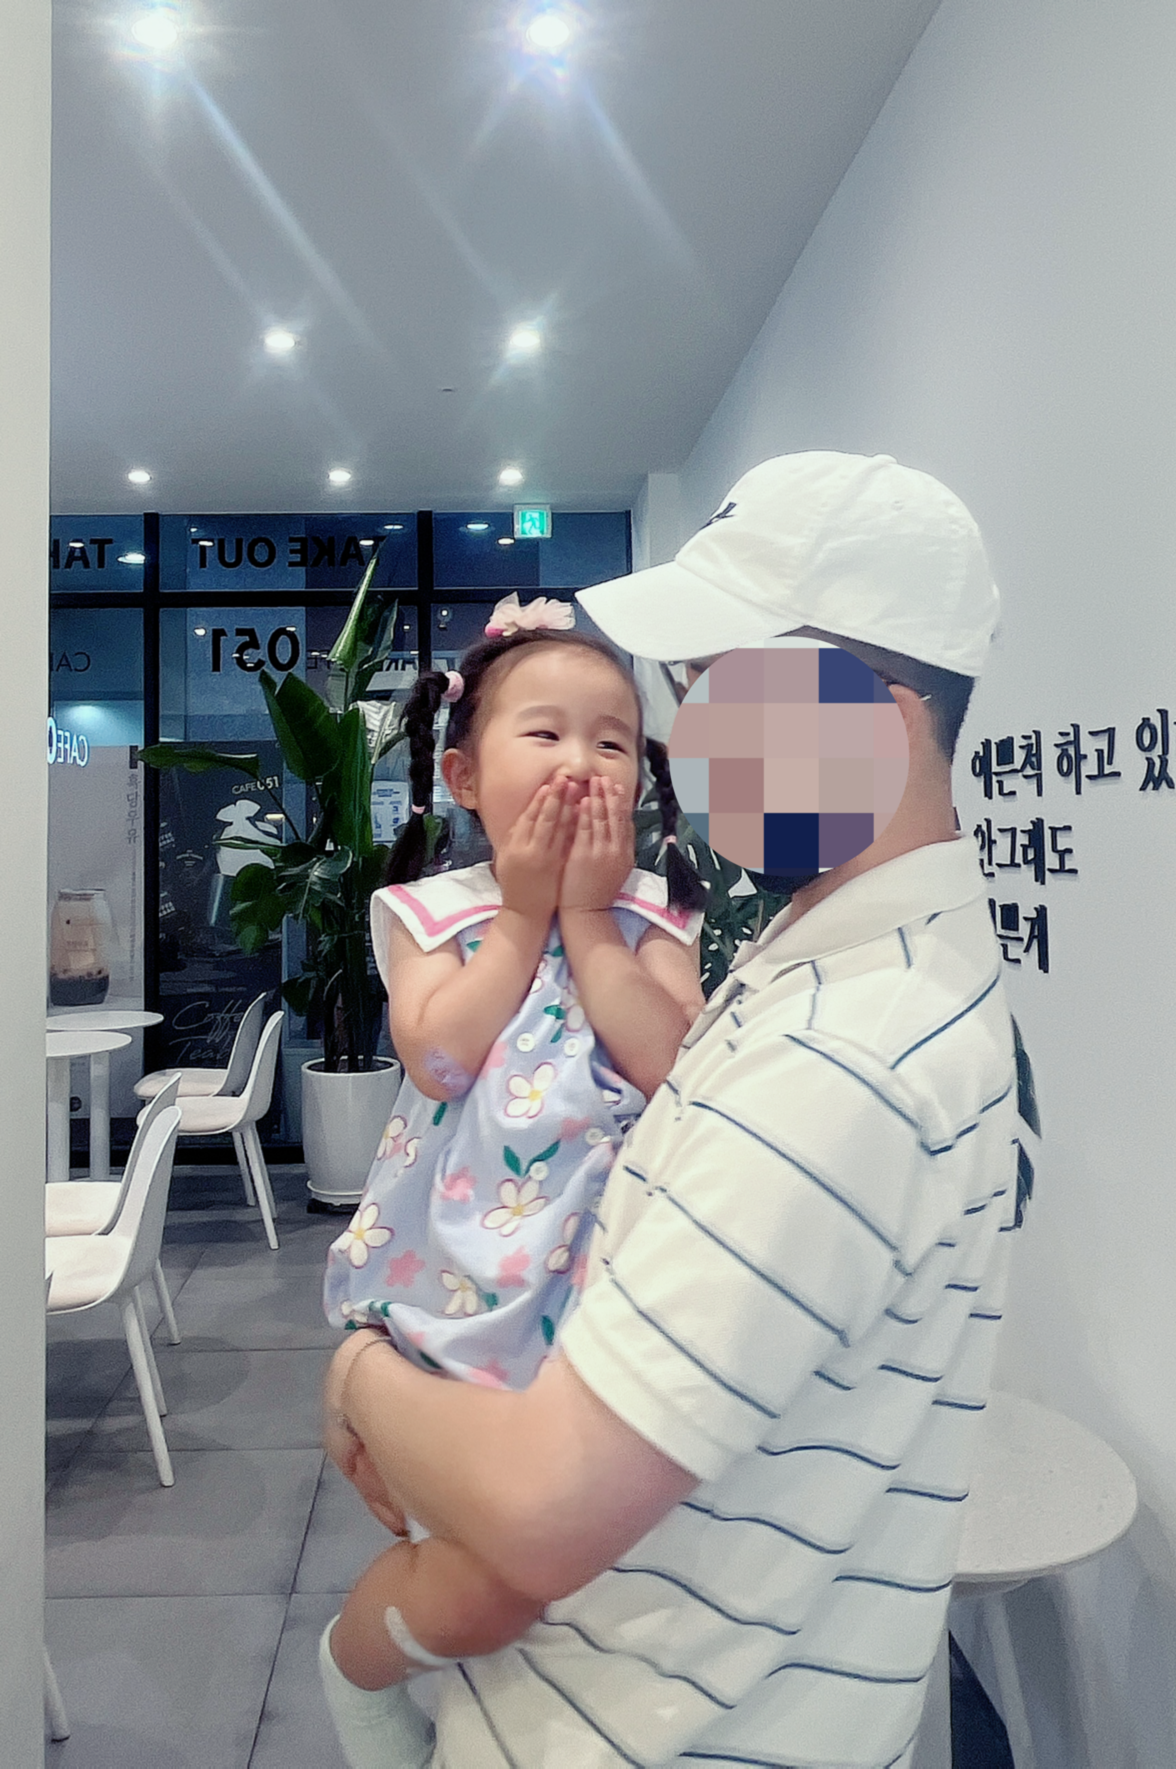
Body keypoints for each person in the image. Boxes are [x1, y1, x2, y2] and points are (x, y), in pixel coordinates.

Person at [320, 451, 1020, 1769]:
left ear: (877, 713)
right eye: (690, 695)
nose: (685, 744)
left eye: (719, 691)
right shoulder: (824, 955)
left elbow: (541, 1504)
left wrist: (357, 1373)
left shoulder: (845, 1051)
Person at [319, 603, 706, 1752]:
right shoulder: (430, 910)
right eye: (544, 733)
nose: (580, 761)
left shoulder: (653, 912)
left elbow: (671, 1060)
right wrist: (525, 912)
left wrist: (587, 915)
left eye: (611, 740)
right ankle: (358, 1662)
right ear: (463, 775)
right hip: (459, 1278)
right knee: (484, 1572)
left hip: (614, 1274)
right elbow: (438, 1058)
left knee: (593, 1548)